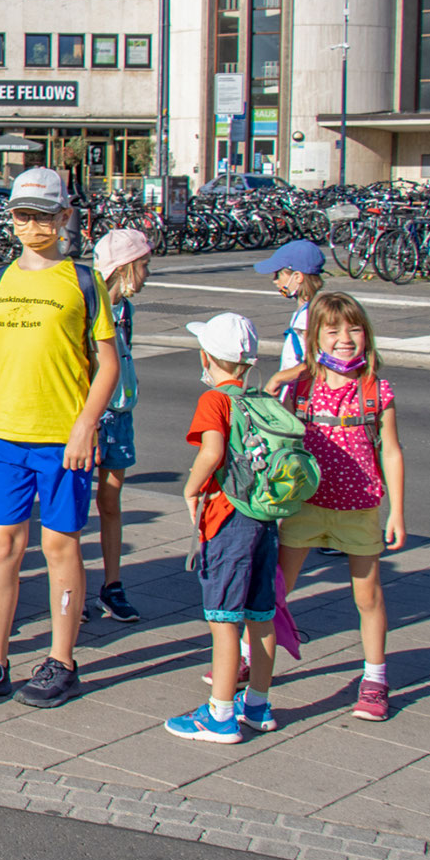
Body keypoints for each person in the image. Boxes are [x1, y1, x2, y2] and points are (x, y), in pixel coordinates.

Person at [0, 167, 117, 709]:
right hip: (6, 438)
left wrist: (84, 425)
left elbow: (108, 366)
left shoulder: (84, 281)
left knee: (58, 544)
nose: (32, 225)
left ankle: (61, 660)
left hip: (62, 440)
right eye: (23, 214)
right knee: (3, 543)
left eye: (44, 215)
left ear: (65, 217)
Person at [278, 292, 406, 721]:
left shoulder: (374, 389)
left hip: (359, 509)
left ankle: (374, 678)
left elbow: (391, 450)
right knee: (278, 589)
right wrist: (280, 380)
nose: (344, 339)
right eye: (332, 331)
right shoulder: (301, 387)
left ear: (366, 334)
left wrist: (398, 512)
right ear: (315, 337)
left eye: (353, 329)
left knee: (367, 595)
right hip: (305, 507)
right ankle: (248, 657)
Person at [166, 312, 279, 743]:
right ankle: (258, 705)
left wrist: (190, 490)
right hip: (265, 519)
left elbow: (211, 452)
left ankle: (220, 714)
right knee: (260, 618)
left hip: (229, 518)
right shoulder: (261, 401)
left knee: (224, 620)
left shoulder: (216, 401)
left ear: (207, 356)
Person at [91, 226, 154, 623]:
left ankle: (112, 586)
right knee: (78, 505)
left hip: (121, 414)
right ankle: (72, 585)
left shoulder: (125, 310)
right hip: (92, 416)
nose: (147, 274)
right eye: (144, 265)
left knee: (111, 501)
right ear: (125, 268)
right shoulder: (90, 306)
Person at [257, 241, 326, 401]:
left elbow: (316, 362)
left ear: (297, 276)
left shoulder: (308, 317)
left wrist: (279, 378)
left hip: (302, 396)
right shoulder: (307, 310)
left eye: (278, 274)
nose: (275, 280)